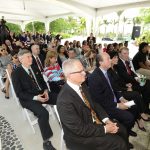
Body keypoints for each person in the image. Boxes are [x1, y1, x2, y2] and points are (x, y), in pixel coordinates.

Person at [57, 59, 129, 150]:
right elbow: (79, 129)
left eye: (83, 70)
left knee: (122, 130)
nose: (84, 73)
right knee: (118, 143)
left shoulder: (82, 85)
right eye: (80, 71)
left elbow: (94, 103)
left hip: (93, 123)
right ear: (69, 76)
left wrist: (106, 120)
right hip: (79, 137)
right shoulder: (64, 100)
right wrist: (105, 129)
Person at [12, 49, 57, 150]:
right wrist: (36, 98)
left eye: (31, 56)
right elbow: (19, 93)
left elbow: (43, 82)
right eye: (28, 57)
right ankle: (46, 142)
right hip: (28, 98)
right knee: (43, 113)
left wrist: (45, 90)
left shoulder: (34, 67)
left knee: (60, 99)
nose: (31, 58)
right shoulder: (16, 73)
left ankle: (68, 124)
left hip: (41, 93)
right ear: (21, 59)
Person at [88, 52, 137, 143]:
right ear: (100, 62)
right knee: (129, 117)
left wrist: (121, 98)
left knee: (134, 106)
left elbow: (114, 89)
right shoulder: (94, 78)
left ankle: (126, 129)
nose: (110, 60)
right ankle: (123, 136)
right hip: (107, 106)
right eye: (108, 59)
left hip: (114, 100)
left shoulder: (107, 72)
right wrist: (117, 105)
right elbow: (99, 100)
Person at [108, 51, 149, 131]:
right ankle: (140, 115)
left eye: (117, 57)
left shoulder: (114, 67)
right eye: (115, 57)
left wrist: (126, 85)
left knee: (143, 88)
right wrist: (126, 88)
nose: (117, 59)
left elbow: (120, 81)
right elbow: (114, 86)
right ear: (109, 59)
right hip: (118, 93)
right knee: (136, 95)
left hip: (122, 88)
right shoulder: (109, 70)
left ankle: (140, 114)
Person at [116, 47, 150, 115]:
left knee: (148, 82)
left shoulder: (125, 61)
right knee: (146, 86)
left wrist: (137, 77)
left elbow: (131, 72)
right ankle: (144, 108)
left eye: (128, 53)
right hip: (127, 85)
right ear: (119, 54)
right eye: (124, 53)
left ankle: (145, 106)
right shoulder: (119, 63)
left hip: (131, 81)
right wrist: (137, 80)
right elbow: (125, 77)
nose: (127, 55)